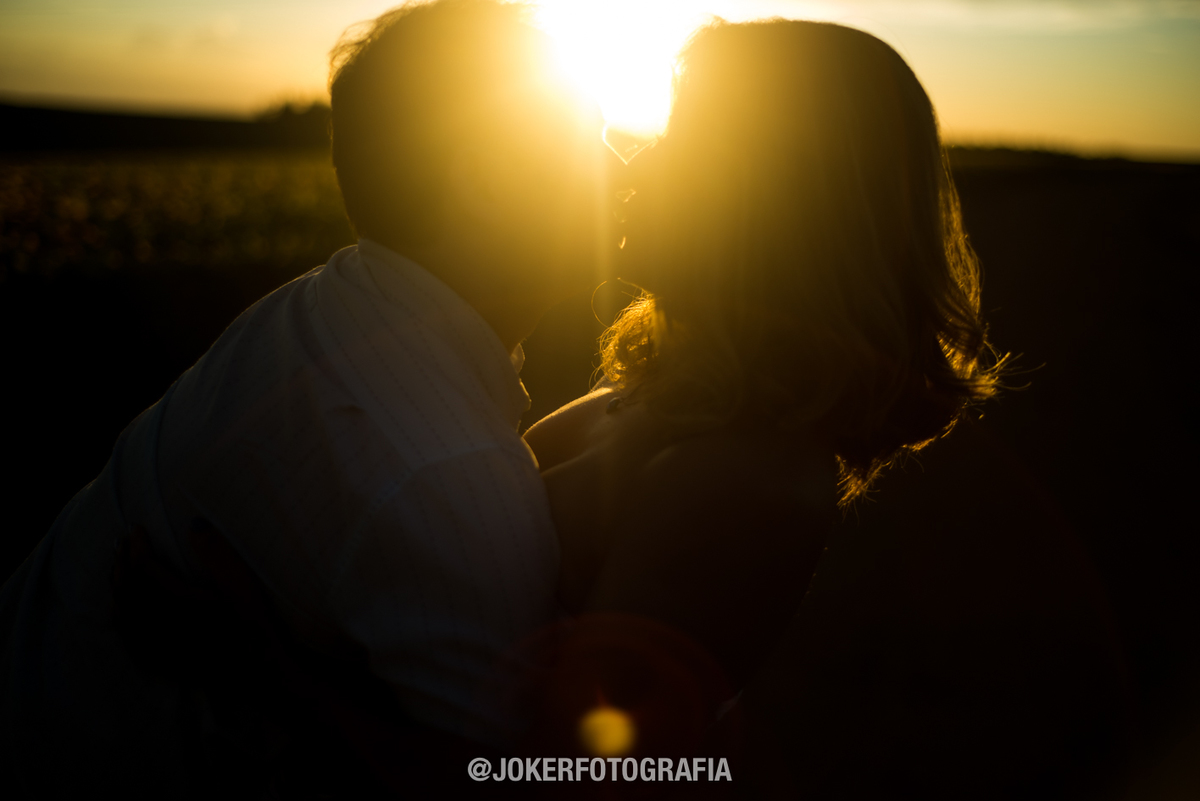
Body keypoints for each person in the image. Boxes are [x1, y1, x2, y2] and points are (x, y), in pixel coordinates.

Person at [0, 0, 616, 794]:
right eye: (592, 140)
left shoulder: (322, 310)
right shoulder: (447, 472)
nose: (622, 167)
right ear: (490, 180)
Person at [521, 17, 1004, 760]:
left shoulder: (748, 479)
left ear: (769, 194)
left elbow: (571, 763)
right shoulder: (667, 391)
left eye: (681, 138)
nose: (637, 160)